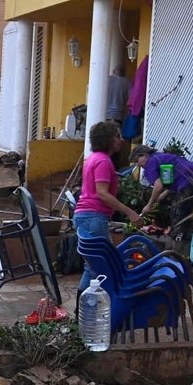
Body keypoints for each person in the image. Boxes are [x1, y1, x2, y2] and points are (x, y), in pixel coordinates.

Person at [73, 120, 142, 292]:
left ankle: (82, 311)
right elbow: (102, 193)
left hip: (85, 216)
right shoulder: (103, 161)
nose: (121, 139)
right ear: (108, 139)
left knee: (93, 267)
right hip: (93, 217)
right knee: (99, 267)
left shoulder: (92, 159)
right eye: (117, 136)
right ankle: (89, 309)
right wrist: (130, 213)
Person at [130, 144, 193, 227]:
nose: (137, 165)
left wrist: (149, 206)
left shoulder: (150, 163)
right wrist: (162, 196)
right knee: (184, 212)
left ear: (144, 155)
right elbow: (174, 178)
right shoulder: (159, 157)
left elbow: (158, 186)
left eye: (137, 161)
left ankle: (179, 237)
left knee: (178, 214)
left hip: (188, 182)